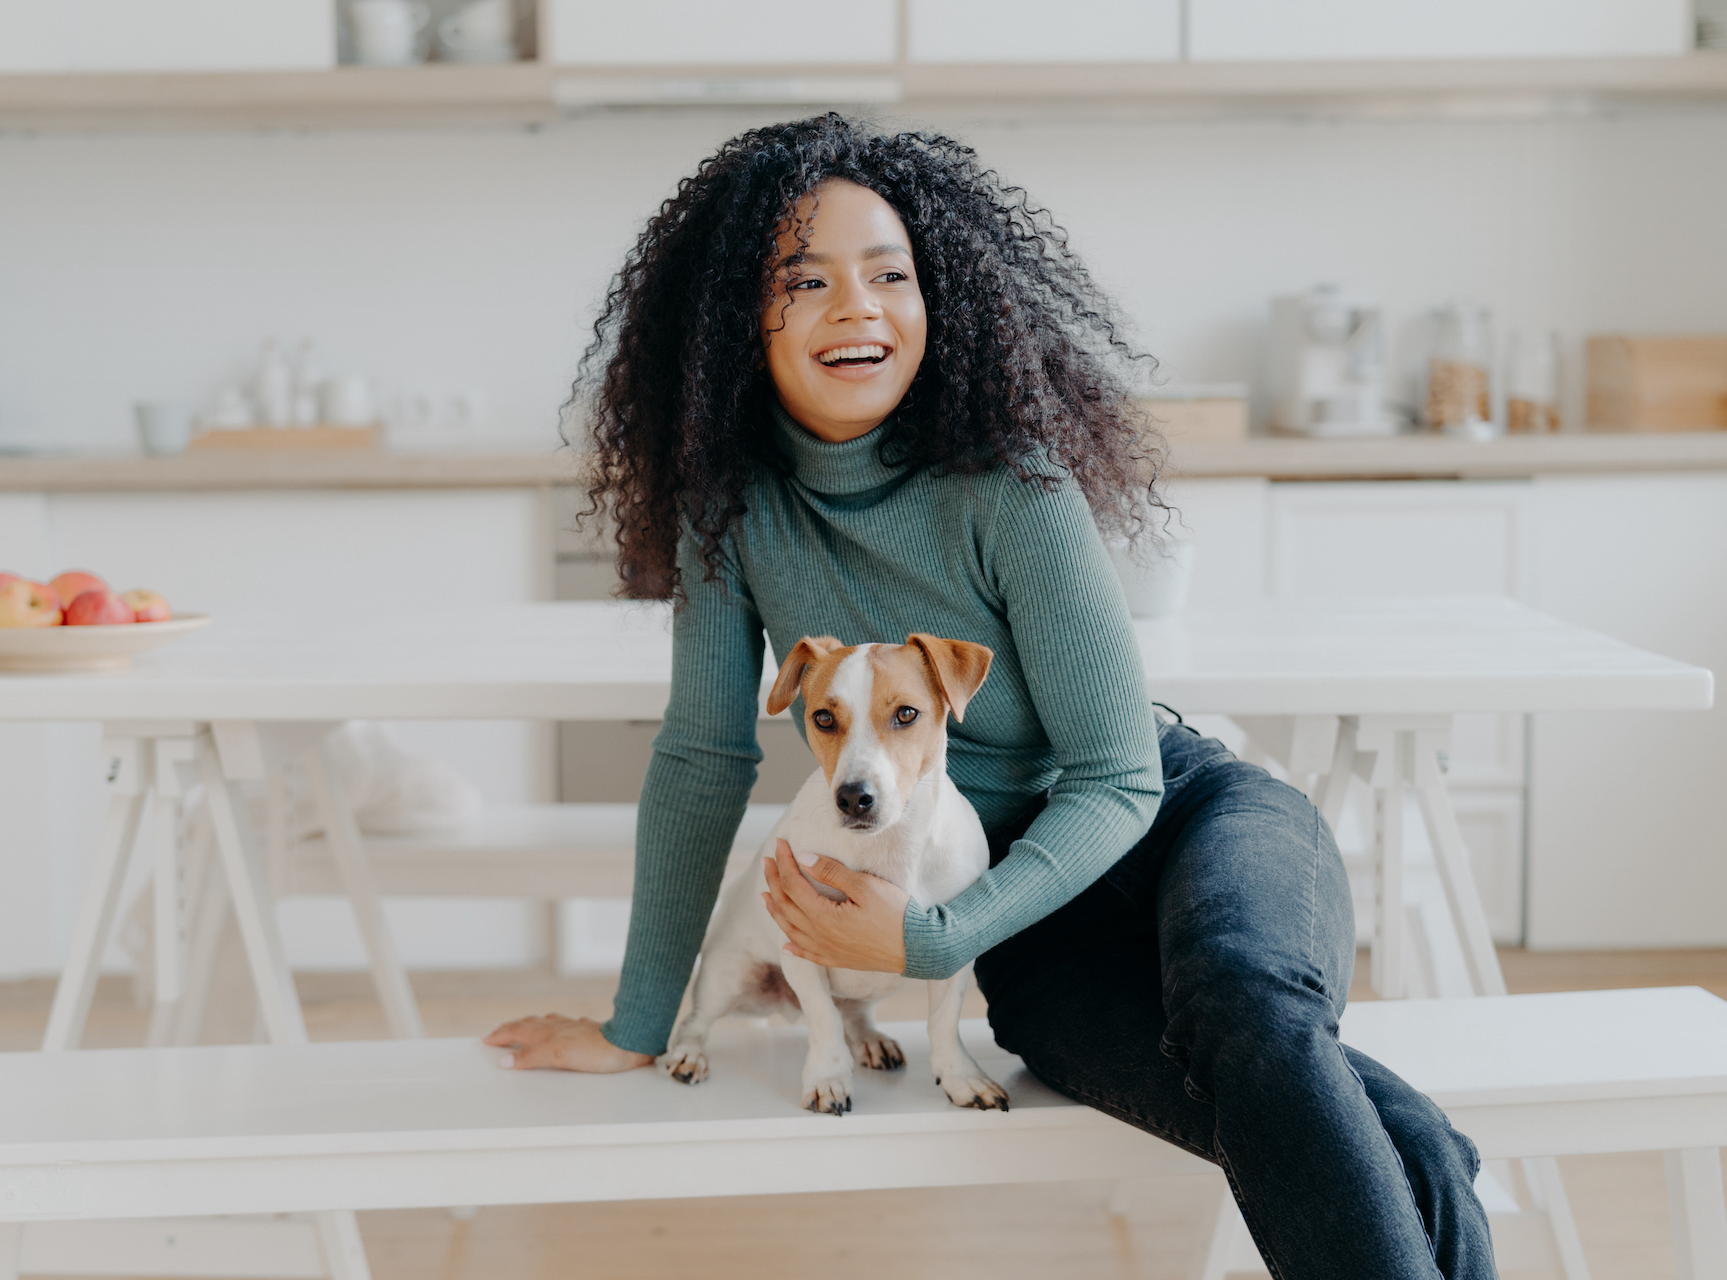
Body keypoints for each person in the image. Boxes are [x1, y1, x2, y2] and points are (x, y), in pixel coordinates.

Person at [486, 115, 1494, 1279]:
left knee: (1249, 1005)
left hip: (1179, 823)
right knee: (1404, 1140)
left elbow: (1115, 775)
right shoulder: (734, 517)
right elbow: (704, 758)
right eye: (803, 280)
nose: (855, 306)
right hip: (1031, 946)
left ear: (936, 299)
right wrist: (637, 1023)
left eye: (889, 274)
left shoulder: (1011, 485)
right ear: (733, 320)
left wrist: (931, 935)